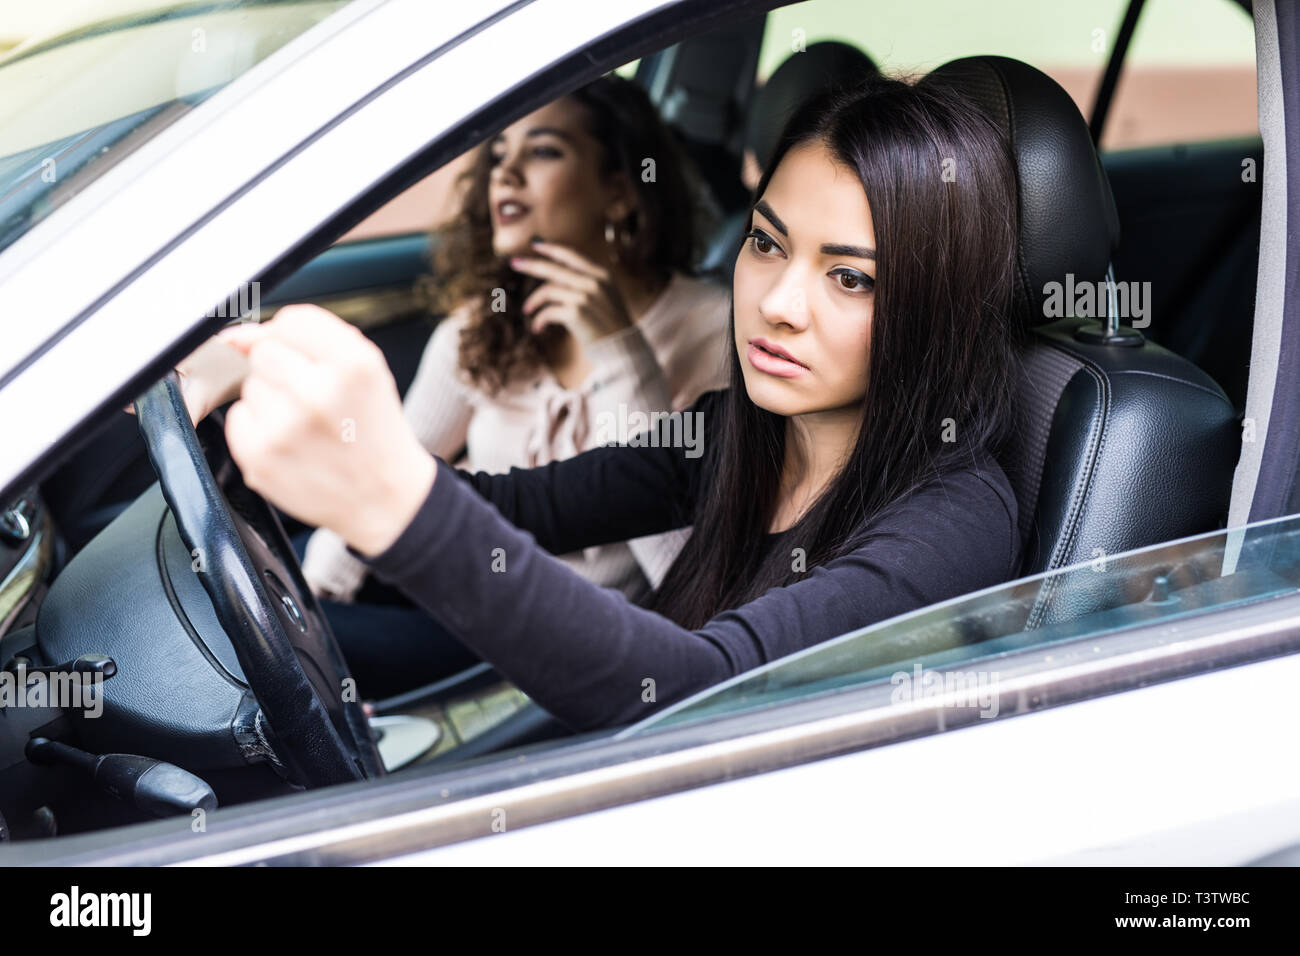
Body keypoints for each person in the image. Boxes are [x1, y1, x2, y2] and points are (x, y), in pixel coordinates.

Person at [185, 74, 1025, 730]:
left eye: (849, 278)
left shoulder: (954, 521)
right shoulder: (740, 431)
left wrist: (395, 502)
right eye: (766, 243)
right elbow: (523, 505)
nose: (779, 302)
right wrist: (262, 382)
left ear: (932, 304)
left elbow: (697, 694)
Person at [167, 75, 731, 695]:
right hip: (451, 577)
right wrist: (317, 594)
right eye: (499, 156)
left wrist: (618, 348)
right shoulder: (484, 320)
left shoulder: (714, 331)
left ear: (622, 192)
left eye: (543, 151)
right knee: (255, 589)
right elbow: (389, 463)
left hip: (554, 636)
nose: (507, 174)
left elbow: (684, 580)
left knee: (241, 639)